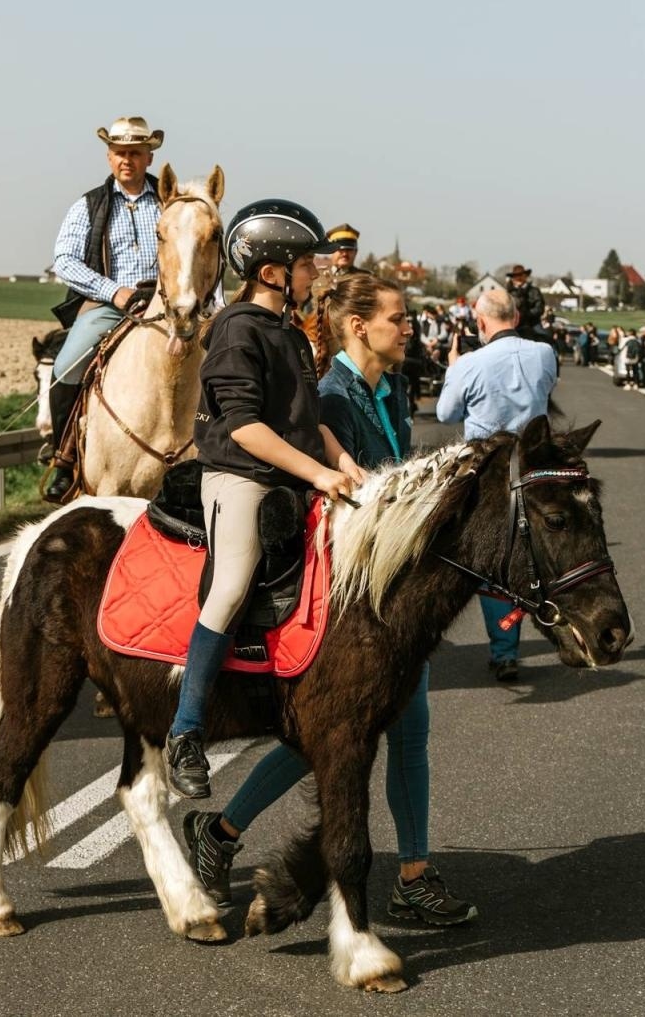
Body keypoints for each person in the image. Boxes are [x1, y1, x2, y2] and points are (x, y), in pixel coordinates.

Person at [181, 271, 477, 927]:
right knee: (363, 730)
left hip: (391, 598)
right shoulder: (335, 398)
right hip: (348, 602)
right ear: (357, 326)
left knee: (377, 730)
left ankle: (229, 834)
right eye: (398, 318)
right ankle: (408, 874)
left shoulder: (389, 388)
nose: (409, 328)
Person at [165, 199, 362, 800]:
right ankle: (186, 730)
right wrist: (318, 475)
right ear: (272, 272)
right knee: (230, 586)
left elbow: (305, 418)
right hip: (240, 476)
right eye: (305, 265)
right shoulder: (235, 330)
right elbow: (247, 428)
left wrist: (340, 460)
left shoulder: (293, 335)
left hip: (296, 474)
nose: (314, 274)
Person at [436, 287, 559, 679]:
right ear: (518, 318)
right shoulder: (545, 354)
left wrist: (453, 368)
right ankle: (518, 639)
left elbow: (444, 413)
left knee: (486, 558)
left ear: (480, 321)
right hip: (533, 464)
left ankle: (500, 647)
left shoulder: (470, 363)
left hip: (488, 468)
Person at [41, 116, 165, 503]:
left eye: (134, 152)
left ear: (149, 157)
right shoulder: (89, 204)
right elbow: (65, 260)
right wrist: (115, 292)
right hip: (111, 305)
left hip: (166, 306)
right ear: (109, 157)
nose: (126, 160)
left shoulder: (170, 202)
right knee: (65, 367)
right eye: (118, 152)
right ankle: (65, 459)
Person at [506, 264, 547, 343]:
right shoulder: (509, 292)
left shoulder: (534, 290)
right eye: (516, 276)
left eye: (521, 275)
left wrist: (528, 314)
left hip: (532, 323)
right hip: (514, 323)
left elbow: (540, 307)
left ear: (525, 276)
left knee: (544, 336)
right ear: (513, 278)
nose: (519, 277)